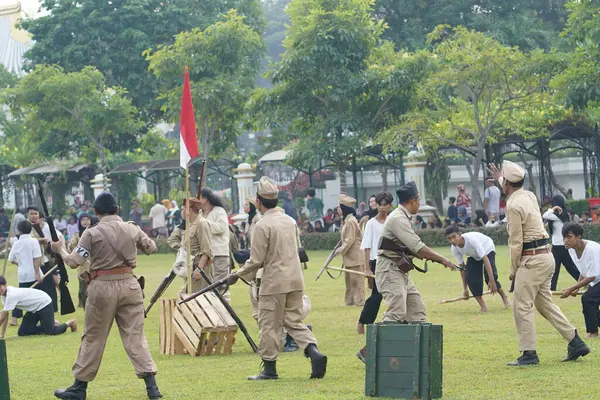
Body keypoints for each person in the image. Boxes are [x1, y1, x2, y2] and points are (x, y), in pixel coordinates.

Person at [50, 191, 162, 400]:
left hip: (102, 286)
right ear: (117, 209)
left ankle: (79, 388)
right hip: (130, 285)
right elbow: (152, 247)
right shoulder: (132, 228)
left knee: (93, 338)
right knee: (135, 336)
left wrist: (61, 249)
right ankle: (152, 387)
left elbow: (74, 261)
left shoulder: (91, 233)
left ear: (95, 211)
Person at [489, 160, 589, 366]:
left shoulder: (513, 205)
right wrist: (501, 177)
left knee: (522, 306)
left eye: (503, 181)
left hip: (531, 260)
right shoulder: (529, 196)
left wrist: (513, 270)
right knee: (545, 305)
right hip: (546, 257)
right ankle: (575, 341)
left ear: (506, 182)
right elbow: (512, 185)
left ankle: (529, 354)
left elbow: (516, 242)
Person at [227, 177, 327, 381]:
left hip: (274, 282)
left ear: (259, 201)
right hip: (295, 279)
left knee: (269, 325)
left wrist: (236, 275)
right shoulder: (289, 221)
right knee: (293, 321)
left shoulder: (262, 225)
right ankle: (313, 350)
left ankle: (270, 370)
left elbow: (256, 260)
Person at [375, 182, 457, 329]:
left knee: (416, 311)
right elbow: (418, 247)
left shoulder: (402, 216)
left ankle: (413, 351)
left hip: (399, 269)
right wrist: (443, 260)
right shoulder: (398, 219)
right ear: (413, 201)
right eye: (419, 200)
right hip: (389, 270)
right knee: (396, 311)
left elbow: (410, 247)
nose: (419, 204)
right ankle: (372, 350)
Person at [356, 191, 392, 363]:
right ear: (376, 205)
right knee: (377, 296)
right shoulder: (371, 223)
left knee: (390, 295)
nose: (383, 207)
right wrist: (367, 269)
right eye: (381, 204)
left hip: (392, 262)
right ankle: (363, 321)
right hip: (376, 263)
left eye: (386, 204)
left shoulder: (393, 221)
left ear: (390, 206)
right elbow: (366, 246)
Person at [445, 226, 511, 312]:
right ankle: (483, 307)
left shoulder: (472, 240)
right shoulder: (454, 248)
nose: (452, 240)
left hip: (487, 249)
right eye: (449, 239)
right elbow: (462, 268)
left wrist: (491, 280)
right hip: (474, 255)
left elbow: (485, 259)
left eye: (454, 237)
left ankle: (504, 297)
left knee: (489, 278)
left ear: (460, 235)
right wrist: (465, 289)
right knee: (470, 278)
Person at [0, 276, 77, 338]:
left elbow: (3, 316)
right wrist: (2, 334)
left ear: (5, 285)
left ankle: (70, 323)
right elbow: (5, 315)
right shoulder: (4, 296)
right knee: (23, 332)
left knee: (50, 332)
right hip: (33, 308)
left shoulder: (11, 294)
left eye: (0, 286)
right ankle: (50, 323)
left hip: (43, 303)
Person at [560, 223, 600, 338]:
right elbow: (583, 271)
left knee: (588, 299)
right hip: (597, 280)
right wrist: (577, 287)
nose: (565, 240)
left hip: (596, 279)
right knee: (589, 304)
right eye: (564, 237)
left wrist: (572, 288)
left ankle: (593, 332)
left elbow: (591, 277)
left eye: (569, 237)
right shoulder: (572, 250)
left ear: (578, 237)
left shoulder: (591, 249)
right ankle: (593, 331)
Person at [7, 220, 43, 326]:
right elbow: (37, 258)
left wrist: (20, 263)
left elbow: (11, 259)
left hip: (22, 275)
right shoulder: (34, 241)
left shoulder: (17, 243)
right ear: (30, 229)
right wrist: (37, 273)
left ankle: (14, 318)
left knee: (20, 297)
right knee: (38, 297)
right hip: (33, 274)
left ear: (19, 231)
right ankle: (41, 318)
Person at [199, 188, 231, 302]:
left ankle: (226, 315)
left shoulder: (219, 211)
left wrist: (203, 223)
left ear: (206, 198)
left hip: (220, 253)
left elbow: (221, 228)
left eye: (200, 197)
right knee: (207, 288)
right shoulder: (200, 214)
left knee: (221, 287)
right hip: (206, 255)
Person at [28, 207, 61, 313]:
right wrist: (39, 240)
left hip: (47, 258)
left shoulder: (46, 226)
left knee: (51, 284)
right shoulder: (27, 227)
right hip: (34, 260)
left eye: (35, 213)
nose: (33, 215)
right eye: (31, 213)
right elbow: (26, 239)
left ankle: (53, 308)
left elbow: (58, 236)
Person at [544, 195, 580, 291]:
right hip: (556, 245)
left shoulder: (559, 214)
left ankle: (583, 281)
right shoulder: (558, 215)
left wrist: (553, 208)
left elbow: (545, 215)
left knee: (569, 267)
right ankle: (552, 287)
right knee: (555, 268)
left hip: (562, 246)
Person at [334, 194, 365, 306]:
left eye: (339, 207)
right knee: (349, 282)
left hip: (355, 256)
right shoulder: (347, 220)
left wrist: (341, 249)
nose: (337, 209)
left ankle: (359, 302)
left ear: (344, 208)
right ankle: (350, 302)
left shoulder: (351, 221)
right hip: (349, 257)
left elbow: (350, 239)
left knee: (357, 282)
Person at [180, 197, 214, 293]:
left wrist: (199, 269)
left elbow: (207, 250)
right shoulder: (190, 224)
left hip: (199, 269)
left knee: (194, 299)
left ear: (189, 210)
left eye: (183, 209)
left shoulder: (201, 224)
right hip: (191, 267)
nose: (181, 212)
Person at [68, 214, 94, 309]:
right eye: (83, 220)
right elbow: (71, 246)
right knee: (83, 288)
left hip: (93, 264)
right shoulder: (77, 235)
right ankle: (85, 307)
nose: (86, 222)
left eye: (88, 219)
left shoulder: (94, 233)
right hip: (82, 265)